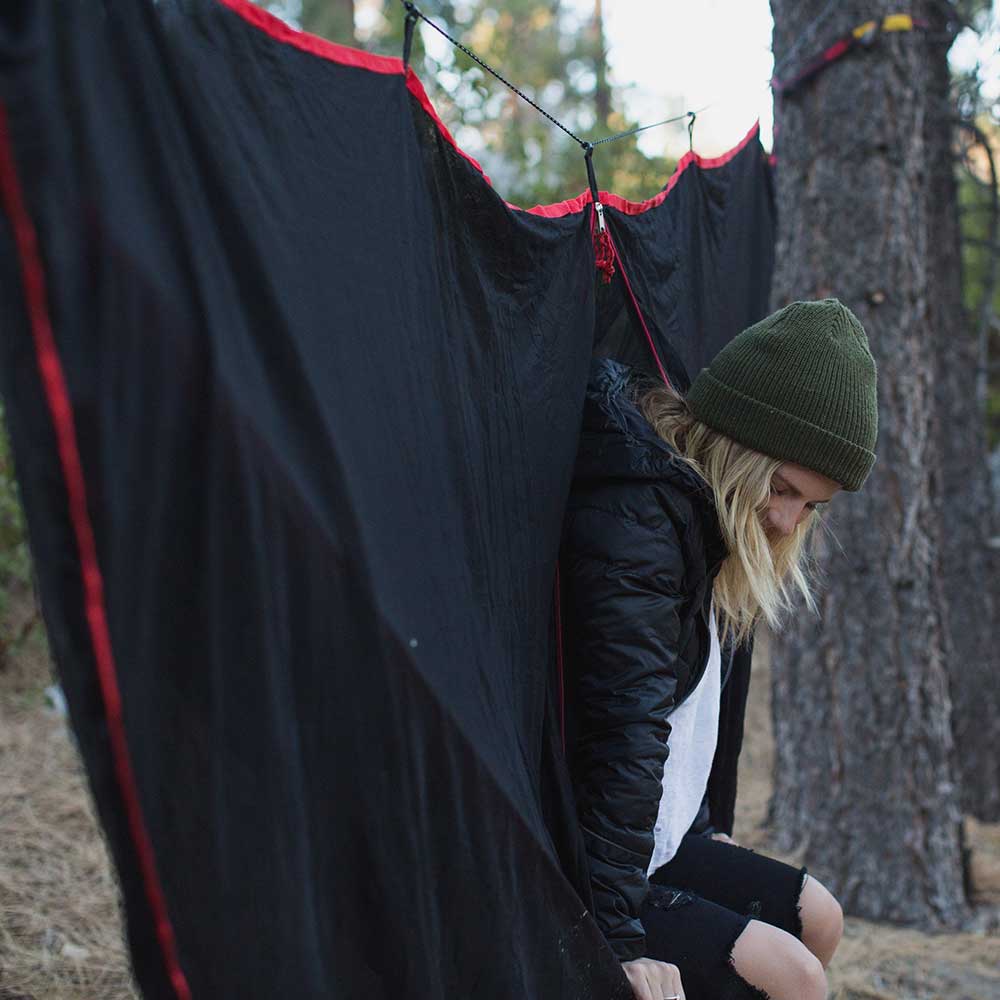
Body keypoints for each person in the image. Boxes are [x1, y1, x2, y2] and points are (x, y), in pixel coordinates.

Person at [560, 299, 878, 1000]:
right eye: (784, 488)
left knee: (816, 920)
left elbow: (680, 705)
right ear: (740, 445)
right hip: (587, 866)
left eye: (811, 507)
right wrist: (616, 941)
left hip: (651, 836)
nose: (787, 520)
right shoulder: (640, 523)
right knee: (794, 978)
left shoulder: (697, 515)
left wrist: (701, 826)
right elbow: (622, 730)